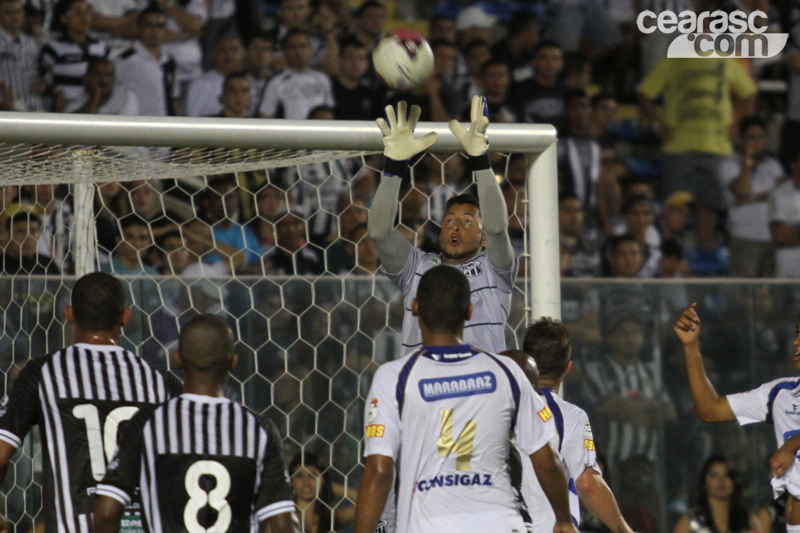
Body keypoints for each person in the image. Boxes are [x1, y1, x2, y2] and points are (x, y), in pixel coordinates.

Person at [353, 265, 575, 533]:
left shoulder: (394, 378)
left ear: (415, 307)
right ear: (469, 311)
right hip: (499, 524)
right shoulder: (506, 371)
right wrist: (563, 521)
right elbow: (546, 461)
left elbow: (379, 471)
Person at [94, 314, 299, 533]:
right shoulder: (258, 430)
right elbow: (283, 525)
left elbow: (106, 514)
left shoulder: (147, 423)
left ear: (178, 359)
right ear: (233, 363)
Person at [0, 272, 171, 532]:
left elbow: (1, 453)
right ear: (126, 316)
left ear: (69, 314)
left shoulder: (42, 373)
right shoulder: (158, 380)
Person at [368, 96, 517, 354]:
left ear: (483, 238)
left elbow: (496, 228)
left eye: (467, 221)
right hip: (425, 377)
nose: (455, 226)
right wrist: (394, 166)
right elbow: (380, 233)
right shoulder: (417, 267)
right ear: (439, 234)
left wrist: (479, 159)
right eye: (449, 220)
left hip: (478, 378)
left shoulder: (494, 269)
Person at [673, 303, 800, 528]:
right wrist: (691, 346)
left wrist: (793, 444)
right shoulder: (781, 392)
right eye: (797, 333)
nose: (796, 343)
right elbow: (710, 410)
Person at [521, 317, 636, 533]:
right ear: (567, 368)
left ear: (525, 361)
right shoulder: (571, 417)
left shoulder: (498, 407)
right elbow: (587, 484)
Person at [114, 5, 178, 117]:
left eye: (159, 26)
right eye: (148, 25)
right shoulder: (125, 60)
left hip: (165, 124)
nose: (154, 31)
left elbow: (174, 99)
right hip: (136, 123)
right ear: (139, 28)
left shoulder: (169, 61)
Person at [673, 455, 760, 533]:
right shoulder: (689, 522)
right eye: (714, 475)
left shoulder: (750, 521)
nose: (721, 481)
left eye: (727, 475)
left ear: (734, 481)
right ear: (705, 482)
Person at [289, 451, 356, 532]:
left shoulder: (332, 517)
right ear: (291, 481)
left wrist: (329, 486)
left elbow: (368, 503)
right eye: (299, 475)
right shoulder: (284, 518)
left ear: (322, 480)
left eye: (313, 475)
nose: (306, 483)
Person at [0, 0, 46, 112]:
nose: (14, 17)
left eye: (18, 12)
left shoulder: (34, 42)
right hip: (9, 108)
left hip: (37, 107)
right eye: (8, 13)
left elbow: (44, 73)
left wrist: (43, 84)